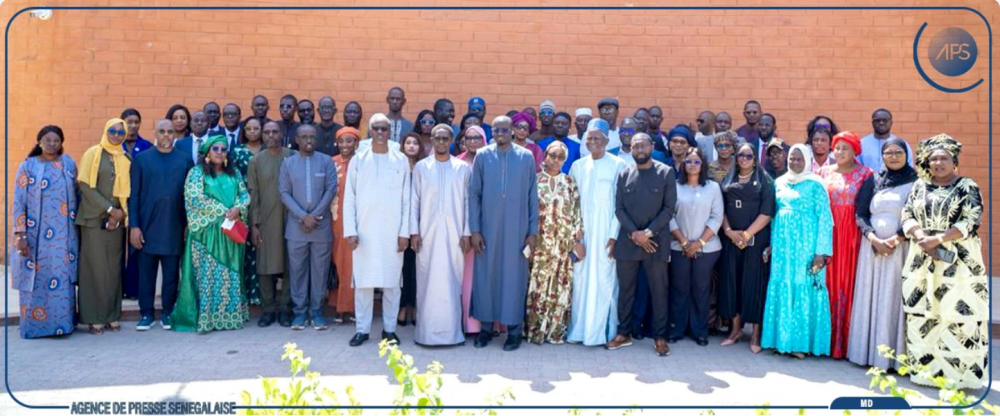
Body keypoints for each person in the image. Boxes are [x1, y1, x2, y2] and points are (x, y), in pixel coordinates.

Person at [900, 134, 987, 390]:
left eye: (944, 158)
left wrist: (937, 239)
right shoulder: (919, 186)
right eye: (933, 159)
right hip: (922, 259)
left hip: (959, 262)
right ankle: (925, 373)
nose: (938, 163)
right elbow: (907, 214)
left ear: (954, 161)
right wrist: (921, 237)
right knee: (923, 313)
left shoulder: (967, 186)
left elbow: (971, 220)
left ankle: (960, 377)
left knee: (958, 315)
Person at [468, 115, 539, 352]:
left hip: (517, 228)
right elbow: (474, 195)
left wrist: (532, 231)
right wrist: (475, 230)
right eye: (496, 130)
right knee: (485, 276)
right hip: (487, 229)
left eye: (505, 130)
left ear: (513, 131)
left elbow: (532, 196)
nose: (500, 133)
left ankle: (514, 332)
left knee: (513, 277)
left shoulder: (526, 157)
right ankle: (485, 329)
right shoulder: (482, 155)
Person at [846, 137, 916, 369]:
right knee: (871, 296)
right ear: (882, 156)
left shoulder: (916, 182)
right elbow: (861, 213)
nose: (893, 156)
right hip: (872, 249)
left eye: (898, 152)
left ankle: (894, 359)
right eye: (889, 153)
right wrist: (873, 238)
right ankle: (866, 354)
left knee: (892, 297)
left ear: (906, 155)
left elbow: (917, 215)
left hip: (900, 249)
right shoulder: (874, 180)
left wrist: (896, 239)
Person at [343, 114, 412, 347]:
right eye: (377, 128)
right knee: (363, 283)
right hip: (364, 232)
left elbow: (406, 199)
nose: (381, 132)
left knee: (392, 283)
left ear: (389, 132)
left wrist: (404, 233)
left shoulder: (400, 160)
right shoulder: (358, 159)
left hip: (393, 232)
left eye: (384, 128)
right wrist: (350, 230)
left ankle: (389, 330)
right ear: (370, 131)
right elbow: (349, 198)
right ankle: (362, 330)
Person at [760, 144, 834, 358]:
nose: (795, 162)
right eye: (792, 158)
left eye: (799, 159)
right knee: (782, 283)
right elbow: (774, 217)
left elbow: (825, 219)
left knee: (803, 285)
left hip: (807, 246)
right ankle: (781, 341)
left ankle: (800, 345)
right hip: (783, 247)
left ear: (808, 160)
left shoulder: (816, 184)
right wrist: (772, 244)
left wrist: (821, 252)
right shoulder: (779, 182)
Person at [607, 133, 676, 356]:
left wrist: (647, 233)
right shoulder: (624, 173)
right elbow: (619, 209)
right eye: (635, 146)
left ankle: (660, 337)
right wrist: (635, 234)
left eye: (643, 146)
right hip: (628, 243)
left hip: (656, 243)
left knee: (659, 291)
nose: (639, 150)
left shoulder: (665, 172)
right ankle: (623, 333)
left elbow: (669, 209)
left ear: (651, 147)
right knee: (626, 291)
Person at [173, 135, 250, 333]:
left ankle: (228, 318)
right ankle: (206, 318)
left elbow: (244, 195)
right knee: (207, 275)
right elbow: (194, 198)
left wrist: (238, 208)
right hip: (206, 233)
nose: (220, 152)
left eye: (223, 149)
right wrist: (224, 210)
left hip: (230, 231)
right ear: (207, 152)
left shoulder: (234, 173)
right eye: (216, 148)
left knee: (230, 273)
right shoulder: (197, 173)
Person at [10, 126, 79, 339]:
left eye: (56, 140)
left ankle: (62, 326)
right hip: (35, 236)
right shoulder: (28, 166)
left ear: (61, 143)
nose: (52, 144)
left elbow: (77, 194)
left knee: (62, 278)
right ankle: (34, 328)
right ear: (39, 141)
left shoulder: (68, 163)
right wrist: (20, 234)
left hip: (64, 236)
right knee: (36, 280)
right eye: (47, 140)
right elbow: (19, 201)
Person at [408, 124, 472, 346]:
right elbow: (414, 201)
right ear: (432, 141)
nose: (442, 142)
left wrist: (467, 232)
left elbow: (467, 202)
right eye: (438, 138)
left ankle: (453, 334)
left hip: (455, 235)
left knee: (453, 280)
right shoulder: (422, 167)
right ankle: (426, 334)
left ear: (451, 141)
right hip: (427, 233)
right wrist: (414, 231)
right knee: (427, 280)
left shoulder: (462, 168)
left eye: (445, 138)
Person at [566, 119, 627, 346]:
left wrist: (613, 235)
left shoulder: (619, 164)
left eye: (597, 138)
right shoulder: (578, 166)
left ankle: (604, 333)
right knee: (581, 281)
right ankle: (579, 331)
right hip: (582, 234)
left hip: (606, 235)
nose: (593, 142)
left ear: (607, 141)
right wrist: (576, 235)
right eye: (589, 138)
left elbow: (620, 204)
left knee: (605, 281)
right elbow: (571, 203)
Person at [129, 120, 192, 331]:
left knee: (171, 274)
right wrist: (134, 226)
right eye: (162, 131)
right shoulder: (142, 159)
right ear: (155, 133)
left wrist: (187, 225)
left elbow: (189, 196)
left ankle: (167, 312)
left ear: (175, 135)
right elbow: (134, 195)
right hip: (146, 226)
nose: (166, 135)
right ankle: (146, 313)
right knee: (146, 274)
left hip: (174, 226)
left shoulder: (184, 160)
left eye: (170, 132)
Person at [818, 131, 874, 359]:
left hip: (852, 237)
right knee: (826, 282)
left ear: (855, 151)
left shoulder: (866, 174)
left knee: (849, 284)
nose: (840, 152)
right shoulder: (822, 173)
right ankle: (825, 340)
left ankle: (848, 342)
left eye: (845, 148)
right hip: (828, 235)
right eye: (837, 148)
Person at [279, 124, 338, 331]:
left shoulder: (326, 161)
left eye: (312, 136)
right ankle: (300, 313)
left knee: (320, 271)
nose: (309, 140)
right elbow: (284, 193)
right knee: (297, 271)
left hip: (321, 226)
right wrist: (303, 217)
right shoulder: (288, 164)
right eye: (304, 137)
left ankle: (317, 312)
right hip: (296, 227)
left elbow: (331, 189)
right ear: (297, 139)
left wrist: (314, 216)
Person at [718, 143, 775, 353]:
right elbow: (720, 209)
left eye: (748, 155)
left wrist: (746, 235)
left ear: (755, 158)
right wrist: (729, 231)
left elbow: (767, 213)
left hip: (755, 241)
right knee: (731, 283)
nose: (744, 159)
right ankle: (735, 330)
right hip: (731, 240)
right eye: (740, 155)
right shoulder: (728, 179)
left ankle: (756, 334)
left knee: (754, 284)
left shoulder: (765, 181)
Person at [523, 141, 582, 345]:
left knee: (560, 285)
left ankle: (555, 331)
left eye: (560, 157)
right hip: (540, 243)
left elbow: (576, 212)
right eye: (552, 156)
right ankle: (534, 331)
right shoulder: (534, 180)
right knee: (537, 286)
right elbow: (527, 211)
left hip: (562, 244)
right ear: (545, 156)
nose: (556, 160)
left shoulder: (570, 182)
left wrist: (577, 238)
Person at [76, 118, 131, 334]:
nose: (116, 135)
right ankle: (93, 317)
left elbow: (128, 190)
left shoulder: (126, 157)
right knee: (95, 268)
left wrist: (119, 214)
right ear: (106, 131)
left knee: (113, 269)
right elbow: (85, 186)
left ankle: (111, 315)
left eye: (120, 132)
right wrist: (109, 210)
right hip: (93, 219)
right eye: (113, 131)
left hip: (117, 221)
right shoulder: (93, 153)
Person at [667, 148, 724, 346]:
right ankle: (677, 329)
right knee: (679, 288)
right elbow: (669, 216)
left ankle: (699, 331)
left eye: (696, 161)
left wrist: (699, 243)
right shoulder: (675, 186)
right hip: (678, 246)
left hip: (707, 248)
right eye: (689, 161)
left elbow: (717, 217)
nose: (692, 165)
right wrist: (684, 242)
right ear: (683, 164)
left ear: (703, 165)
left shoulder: (713, 187)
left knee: (701, 289)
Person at [248, 120, 295, 328]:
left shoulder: (292, 156)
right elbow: (253, 193)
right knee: (265, 266)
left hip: (291, 219)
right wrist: (254, 225)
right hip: (265, 221)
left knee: (290, 265)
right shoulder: (256, 161)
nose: (271, 136)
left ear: (281, 134)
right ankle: (268, 310)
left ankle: (285, 309)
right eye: (267, 132)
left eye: (275, 132)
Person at [120, 108, 152, 301]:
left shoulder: (146, 146)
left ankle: (133, 289)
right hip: (118, 202)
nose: (132, 125)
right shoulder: (115, 145)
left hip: (139, 200)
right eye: (128, 122)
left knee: (135, 247)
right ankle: (118, 288)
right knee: (117, 248)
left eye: (136, 122)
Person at [455, 125, 485, 335]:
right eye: (469, 138)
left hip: (486, 224)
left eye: (477, 138)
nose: (473, 141)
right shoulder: (457, 162)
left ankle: (487, 324)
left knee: (483, 276)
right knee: (465, 276)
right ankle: (467, 324)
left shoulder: (490, 160)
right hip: (461, 223)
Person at [330, 127, 361, 323]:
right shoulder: (331, 162)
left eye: (349, 141)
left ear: (356, 143)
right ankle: (337, 304)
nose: (345, 145)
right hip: (335, 219)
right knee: (337, 262)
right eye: (341, 141)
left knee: (351, 264)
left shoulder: (362, 162)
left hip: (357, 219)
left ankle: (349, 307)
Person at [398, 133, 424, 327]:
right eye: (408, 143)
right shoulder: (396, 166)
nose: (412, 146)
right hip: (399, 224)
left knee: (415, 269)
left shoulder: (424, 167)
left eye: (415, 143)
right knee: (401, 269)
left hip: (420, 224)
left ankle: (414, 306)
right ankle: (402, 307)